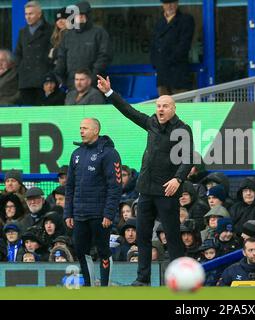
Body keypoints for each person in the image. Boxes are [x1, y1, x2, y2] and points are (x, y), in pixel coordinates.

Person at [97, 75, 193, 286]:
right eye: (158, 105)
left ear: (173, 109)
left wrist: (178, 179)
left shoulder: (182, 129)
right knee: (142, 237)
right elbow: (129, 111)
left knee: (173, 237)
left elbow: (188, 159)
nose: (160, 109)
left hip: (167, 191)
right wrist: (109, 93)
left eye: (165, 106)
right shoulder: (151, 123)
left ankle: (179, 279)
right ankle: (143, 279)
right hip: (146, 190)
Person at [64, 118, 122, 286]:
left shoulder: (109, 153)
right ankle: (89, 288)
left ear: (96, 131)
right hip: (80, 214)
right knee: (81, 251)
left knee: (103, 251)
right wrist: (68, 212)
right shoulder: (76, 154)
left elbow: (115, 186)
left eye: (85, 128)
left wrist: (109, 213)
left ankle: (105, 289)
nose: (81, 131)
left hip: (100, 213)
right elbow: (70, 186)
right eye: (80, 128)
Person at [55, 1, 112, 89]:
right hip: (71, 83)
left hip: (94, 84)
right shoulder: (68, 35)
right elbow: (61, 57)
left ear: (88, 16)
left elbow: (104, 56)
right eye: (77, 15)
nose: (80, 17)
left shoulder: (99, 33)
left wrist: (92, 77)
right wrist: (61, 77)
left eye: (83, 14)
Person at [150, 0, 195, 96]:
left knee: (181, 107)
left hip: (178, 75)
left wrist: (167, 60)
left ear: (177, 3)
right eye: (166, 3)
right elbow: (153, 46)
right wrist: (156, 64)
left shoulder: (186, 20)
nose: (170, 6)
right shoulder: (159, 23)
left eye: (172, 2)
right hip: (162, 75)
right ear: (163, 5)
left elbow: (184, 46)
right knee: (163, 108)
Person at [14, 1, 52, 105]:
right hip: (26, 80)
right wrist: (20, 68)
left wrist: (49, 73)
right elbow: (18, 53)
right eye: (26, 14)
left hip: (43, 79)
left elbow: (53, 53)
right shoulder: (22, 32)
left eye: (31, 14)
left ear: (39, 14)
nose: (28, 17)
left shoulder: (49, 30)